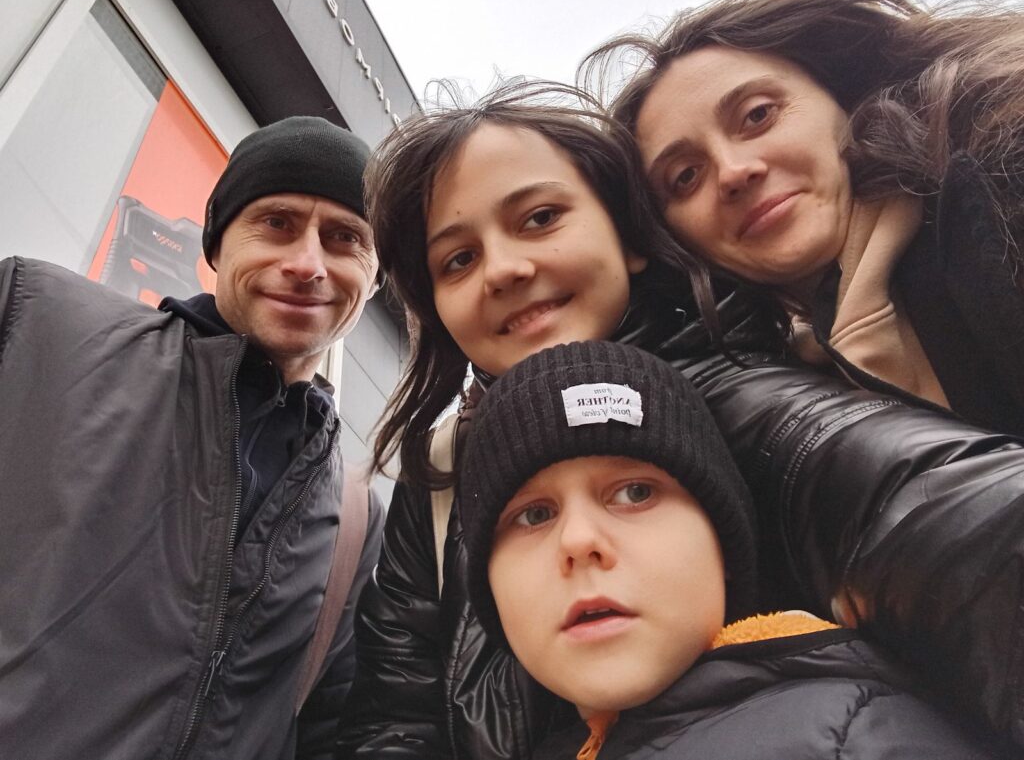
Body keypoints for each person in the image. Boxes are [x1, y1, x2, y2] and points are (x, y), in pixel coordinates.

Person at [336, 82, 1024, 759]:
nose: (504, 269)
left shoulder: (753, 410)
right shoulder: (441, 475)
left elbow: (956, 520)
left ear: (628, 236)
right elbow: (392, 719)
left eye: (540, 218)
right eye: (459, 259)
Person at [0, 116, 385, 760]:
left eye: (345, 238)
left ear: (374, 278)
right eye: (277, 223)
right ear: (217, 243)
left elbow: (329, 732)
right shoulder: (34, 323)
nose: (306, 264)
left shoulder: (356, 521)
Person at [459, 340, 1007, 760]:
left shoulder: (856, 738)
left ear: (723, 546)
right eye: (534, 515)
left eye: (636, 493)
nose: (579, 541)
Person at [585, 0, 1024, 435]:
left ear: (842, 98)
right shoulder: (764, 397)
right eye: (686, 176)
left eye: (757, 115)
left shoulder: (1001, 187)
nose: (733, 172)